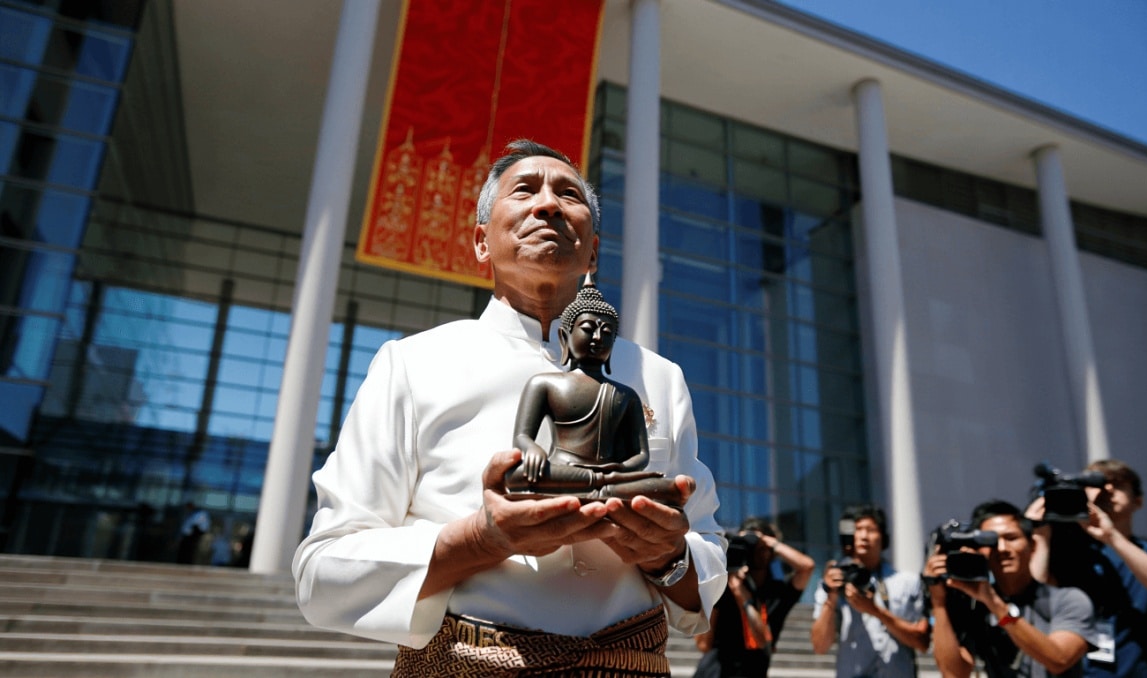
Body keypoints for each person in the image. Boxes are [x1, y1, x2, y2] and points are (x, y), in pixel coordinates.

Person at [292, 139, 726, 676]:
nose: (548, 205)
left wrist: (668, 555)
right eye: (525, 191)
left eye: (569, 195)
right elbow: (322, 570)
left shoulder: (659, 377)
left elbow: (705, 551)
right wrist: (478, 540)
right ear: (481, 242)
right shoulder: (412, 362)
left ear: (592, 251)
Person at [504, 273, 682, 505]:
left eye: (607, 333)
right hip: (563, 470)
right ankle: (600, 488)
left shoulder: (626, 396)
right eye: (588, 328)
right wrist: (532, 449)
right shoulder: (544, 384)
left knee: (665, 487)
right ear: (565, 337)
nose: (598, 337)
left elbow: (641, 455)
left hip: (612, 475)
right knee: (515, 476)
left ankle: (599, 486)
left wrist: (619, 469)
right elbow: (521, 436)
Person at [1028, 460, 1147, 677]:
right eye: (1096, 483)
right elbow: (1031, 602)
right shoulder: (1064, 551)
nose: (1106, 489)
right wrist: (1040, 537)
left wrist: (1112, 537)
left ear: (1138, 501)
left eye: (1118, 484)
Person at [926, 499, 1096, 678]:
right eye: (990, 541)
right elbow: (954, 673)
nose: (1002, 548)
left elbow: (1058, 660)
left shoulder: (1069, 600)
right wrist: (939, 604)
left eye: (1011, 538)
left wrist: (996, 606)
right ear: (978, 551)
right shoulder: (976, 606)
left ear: (1033, 545)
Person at [811, 504, 929, 678]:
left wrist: (875, 611)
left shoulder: (906, 582)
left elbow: (922, 642)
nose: (864, 536)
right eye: (858, 529)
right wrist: (832, 596)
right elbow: (820, 646)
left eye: (871, 529)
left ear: (884, 538)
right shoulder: (832, 582)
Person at [692, 517, 815, 678]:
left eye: (759, 546)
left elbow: (807, 567)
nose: (753, 550)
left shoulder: (776, 592)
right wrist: (716, 590)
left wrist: (768, 541)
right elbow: (703, 644)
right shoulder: (722, 586)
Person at [176, 501, 210, 565]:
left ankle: (187, 563)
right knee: (184, 551)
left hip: (193, 535)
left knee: (190, 551)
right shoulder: (191, 514)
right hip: (188, 535)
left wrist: (194, 532)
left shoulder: (200, 513)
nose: (187, 509)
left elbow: (201, 526)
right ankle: (183, 563)